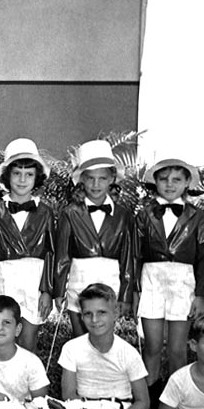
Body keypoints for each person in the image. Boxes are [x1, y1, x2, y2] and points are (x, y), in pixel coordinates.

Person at [135, 154, 204, 408]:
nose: (170, 184)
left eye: (177, 180)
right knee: (153, 346)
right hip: (152, 279)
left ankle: (176, 404)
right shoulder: (145, 215)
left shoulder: (198, 216)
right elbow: (134, 255)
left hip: (183, 282)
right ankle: (148, 403)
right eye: (164, 179)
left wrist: (201, 295)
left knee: (178, 349)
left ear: (187, 183)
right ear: (155, 182)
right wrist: (134, 290)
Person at [57, 283, 149, 409]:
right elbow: (68, 394)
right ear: (81, 317)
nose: (94, 319)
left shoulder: (128, 353)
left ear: (115, 314)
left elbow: (143, 401)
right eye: (88, 314)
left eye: (102, 312)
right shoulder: (71, 348)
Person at [0, 138, 55, 353]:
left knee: (28, 340)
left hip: (35, 278)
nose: (23, 180)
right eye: (17, 173)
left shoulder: (46, 212)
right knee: (5, 339)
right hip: (8, 277)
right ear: (7, 176)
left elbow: (51, 252)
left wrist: (46, 290)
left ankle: (27, 385)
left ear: (37, 177)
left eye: (29, 174)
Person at [53, 140, 135, 338]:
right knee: (80, 340)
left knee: (105, 340)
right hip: (79, 282)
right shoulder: (70, 213)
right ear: (82, 179)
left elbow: (129, 258)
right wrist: (58, 291)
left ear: (112, 179)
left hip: (111, 282)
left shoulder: (124, 215)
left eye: (102, 178)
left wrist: (125, 294)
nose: (96, 184)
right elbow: (62, 256)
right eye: (90, 179)